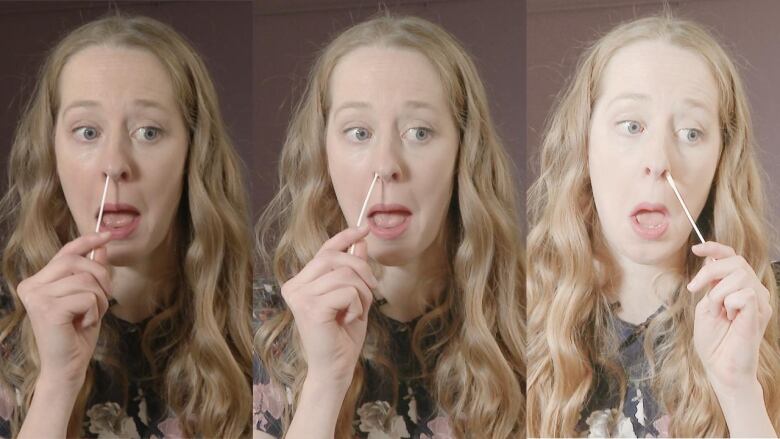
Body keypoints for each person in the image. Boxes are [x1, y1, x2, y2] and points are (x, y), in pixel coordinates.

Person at [253, 15, 525, 439]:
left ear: (463, 154)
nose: (386, 167)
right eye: (359, 132)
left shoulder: (539, 326)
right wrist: (324, 384)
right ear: (323, 154)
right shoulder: (259, 331)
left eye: (419, 132)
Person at [527, 14, 780, 437]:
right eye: (632, 126)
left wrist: (739, 392)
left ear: (722, 159)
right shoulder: (512, 309)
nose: (660, 162)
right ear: (583, 144)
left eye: (691, 133)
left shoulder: (762, 315)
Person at [0, 15, 252, 438]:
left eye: (148, 132)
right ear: (52, 153)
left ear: (194, 155)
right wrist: (57, 385)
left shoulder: (265, 329)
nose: (115, 165)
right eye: (87, 131)